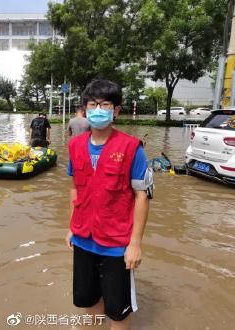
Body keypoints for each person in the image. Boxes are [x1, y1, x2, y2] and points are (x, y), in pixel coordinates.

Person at [66, 79, 153, 329]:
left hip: (116, 244)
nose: (98, 109)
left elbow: (141, 196)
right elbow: (75, 188)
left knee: (118, 312)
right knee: (89, 301)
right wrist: (71, 225)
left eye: (105, 105)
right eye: (93, 104)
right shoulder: (75, 145)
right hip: (83, 238)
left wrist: (135, 244)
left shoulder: (131, 148)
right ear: (84, 109)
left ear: (116, 111)